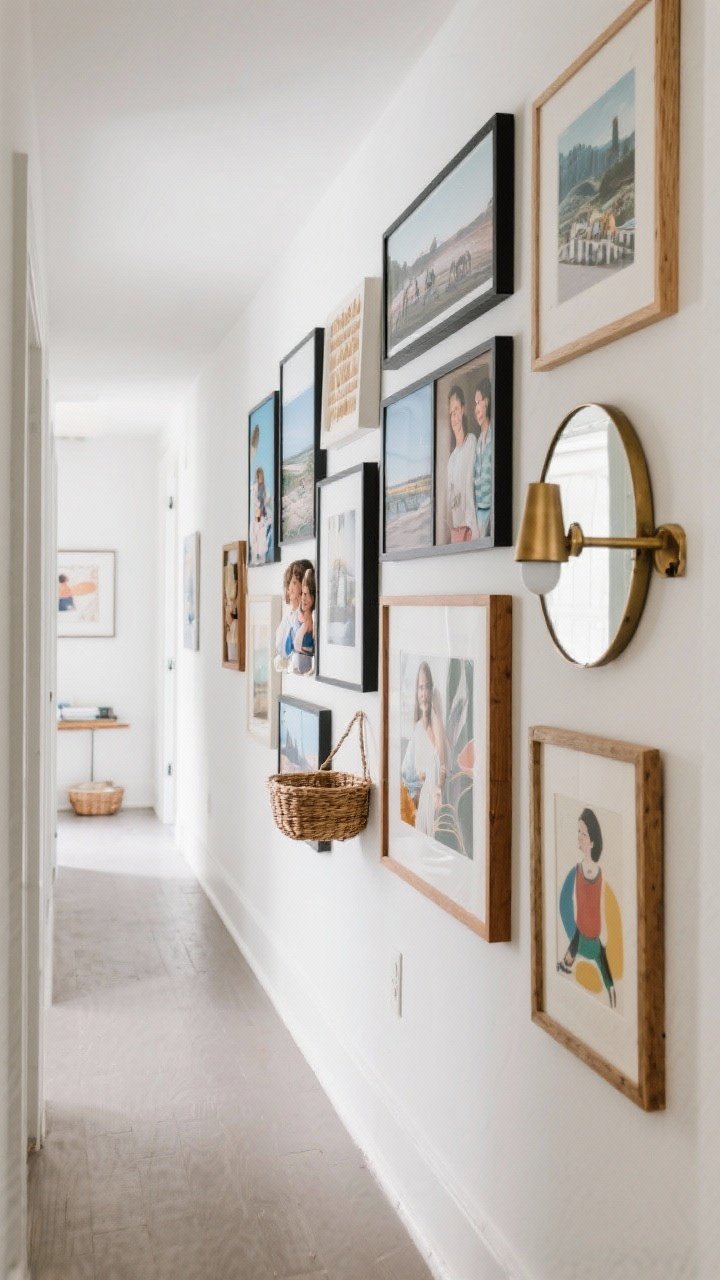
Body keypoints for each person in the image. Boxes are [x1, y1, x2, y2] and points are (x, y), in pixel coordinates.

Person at [557, 807, 617, 1008]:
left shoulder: (600, 873)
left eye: (584, 833)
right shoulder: (576, 871)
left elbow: (602, 905)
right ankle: (567, 962)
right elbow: (565, 902)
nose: (579, 837)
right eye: (579, 832)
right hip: (579, 937)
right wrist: (573, 932)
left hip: (596, 941)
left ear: (592, 841)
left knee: (610, 985)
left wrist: (604, 939)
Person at [401, 662, 447, 836]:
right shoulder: (419, 727)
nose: (424, 693)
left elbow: (441, 762)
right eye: (421, 688)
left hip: (429, 800)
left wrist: (438, 789)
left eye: (427, 687)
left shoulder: (435, 723)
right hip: (416, 800)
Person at [445, 385, 478, 543]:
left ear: (463, 409)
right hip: (457, 532)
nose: (454, 417)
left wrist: (470, 525)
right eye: (451, 413)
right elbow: (450, 499)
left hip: (469, 529)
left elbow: (470, 484)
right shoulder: (451, 459)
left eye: (456, 410)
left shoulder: (471, 442)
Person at [274, 559, 312, 671]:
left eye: (294, 582)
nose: (289, 587)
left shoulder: (305, 617)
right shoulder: (290, 614)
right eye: (289, 582)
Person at [284, 564, 315, 675]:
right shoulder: (295, 618)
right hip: (297, 667)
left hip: (303, 667)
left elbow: (297, 645)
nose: (303, 598)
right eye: (303, 593)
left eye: (306, 594)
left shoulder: (311, 622)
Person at [472, 375, 493, 537]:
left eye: (478, 402)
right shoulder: (479, 441)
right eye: (475, 404)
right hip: (480, 510)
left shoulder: (493, 436)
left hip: (491, 509)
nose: (476, 409)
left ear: (486, 401)